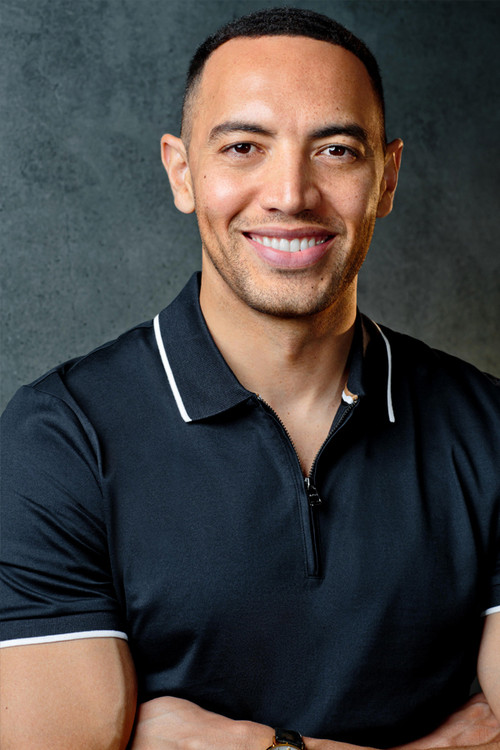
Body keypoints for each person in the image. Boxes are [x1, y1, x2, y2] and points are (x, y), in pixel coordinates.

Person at [1, 7, 499, 750]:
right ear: (182, 172)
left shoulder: (488, 428)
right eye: (243, 147)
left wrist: (257, 748)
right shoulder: (61, 439)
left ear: (388, 177)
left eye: (335, 150)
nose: (291, 194)